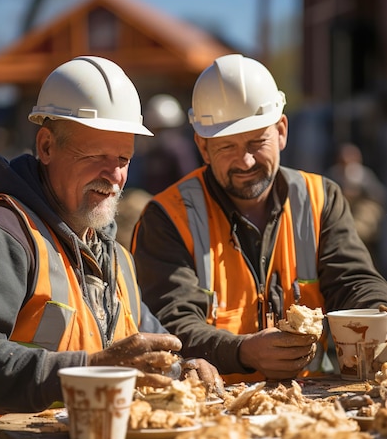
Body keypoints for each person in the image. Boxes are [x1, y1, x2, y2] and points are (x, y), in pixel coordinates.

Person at [0, 55, 224, 439]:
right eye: (97, 157)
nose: (115, 176)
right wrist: (87, 371)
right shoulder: (0, 233)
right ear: (46, 147)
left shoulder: (112, 255)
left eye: (124, 159)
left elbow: (140, 348)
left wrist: (183, 367)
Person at [132, 53, 387, 385]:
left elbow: (353, 282)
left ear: (281, 131)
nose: (246, 160)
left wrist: (378, 312)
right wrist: (243, 351)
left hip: (309, 400)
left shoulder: (320, 198)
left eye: (257, 141)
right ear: (203, 147)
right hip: (211, 407)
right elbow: (169, 324)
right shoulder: (167, 217)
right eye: (226, 147)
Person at [326, 142, 386, 269]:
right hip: (341, 209)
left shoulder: (364, 175)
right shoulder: (333, 175)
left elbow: (378, 196)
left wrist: (360, 191)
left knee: (358, 228)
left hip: (363, 211)